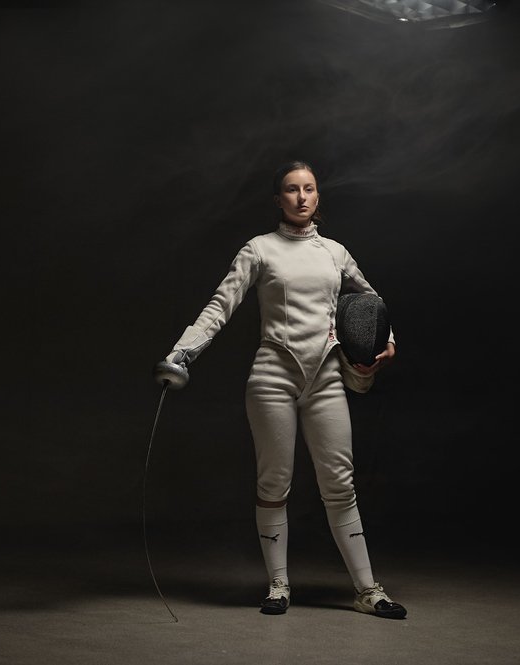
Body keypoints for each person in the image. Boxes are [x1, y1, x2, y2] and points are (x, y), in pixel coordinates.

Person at [161, 160, 406, 619]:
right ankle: (278, 584)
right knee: (274, 480)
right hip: (272, 376)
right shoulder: (259, 249)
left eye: (308, 188)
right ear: (279, 199)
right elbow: (221, 305)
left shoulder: (335, 252)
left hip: (325, 377)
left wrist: (387, 340)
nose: (301, 197)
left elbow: (370, 300)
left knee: (340, 483)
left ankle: (368, 590)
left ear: (317, 196)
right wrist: (182, 352)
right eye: (292, 190)